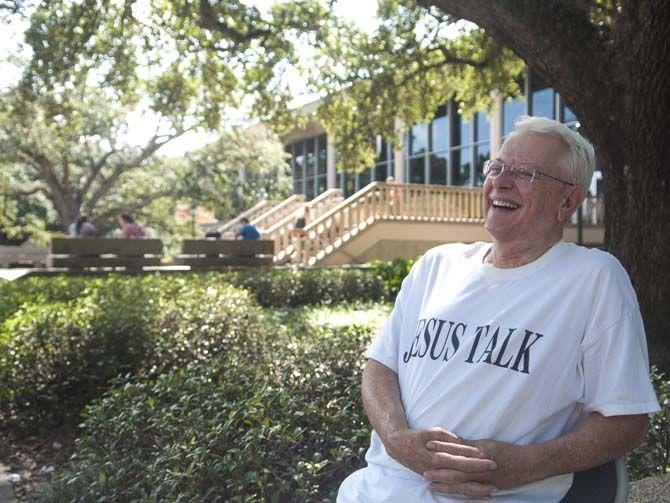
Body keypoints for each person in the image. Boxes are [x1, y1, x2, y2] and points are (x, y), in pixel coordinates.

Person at [337, 116, 659, 503]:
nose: (501, 181)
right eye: (497, 167)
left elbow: (626, 420)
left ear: (568, 201)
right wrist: (395, 439)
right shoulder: (436, 264)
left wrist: (526, 464)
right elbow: (380, 367)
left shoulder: (593, 279)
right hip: (372, 491)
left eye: (525, 172)